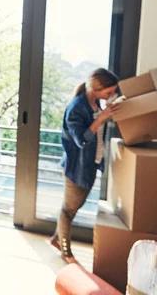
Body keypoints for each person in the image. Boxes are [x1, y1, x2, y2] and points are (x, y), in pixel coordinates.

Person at [50, 68, 120, 264]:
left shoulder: (95, 102)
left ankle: (57, 239)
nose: (111, 95)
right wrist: (101, 118)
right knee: (68, 211)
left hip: (91, 163)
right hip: (76, 167)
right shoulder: (77, 107)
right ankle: (66, 252)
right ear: (96, 89)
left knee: (73, 208)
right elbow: (81, 140)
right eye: (108, 92)